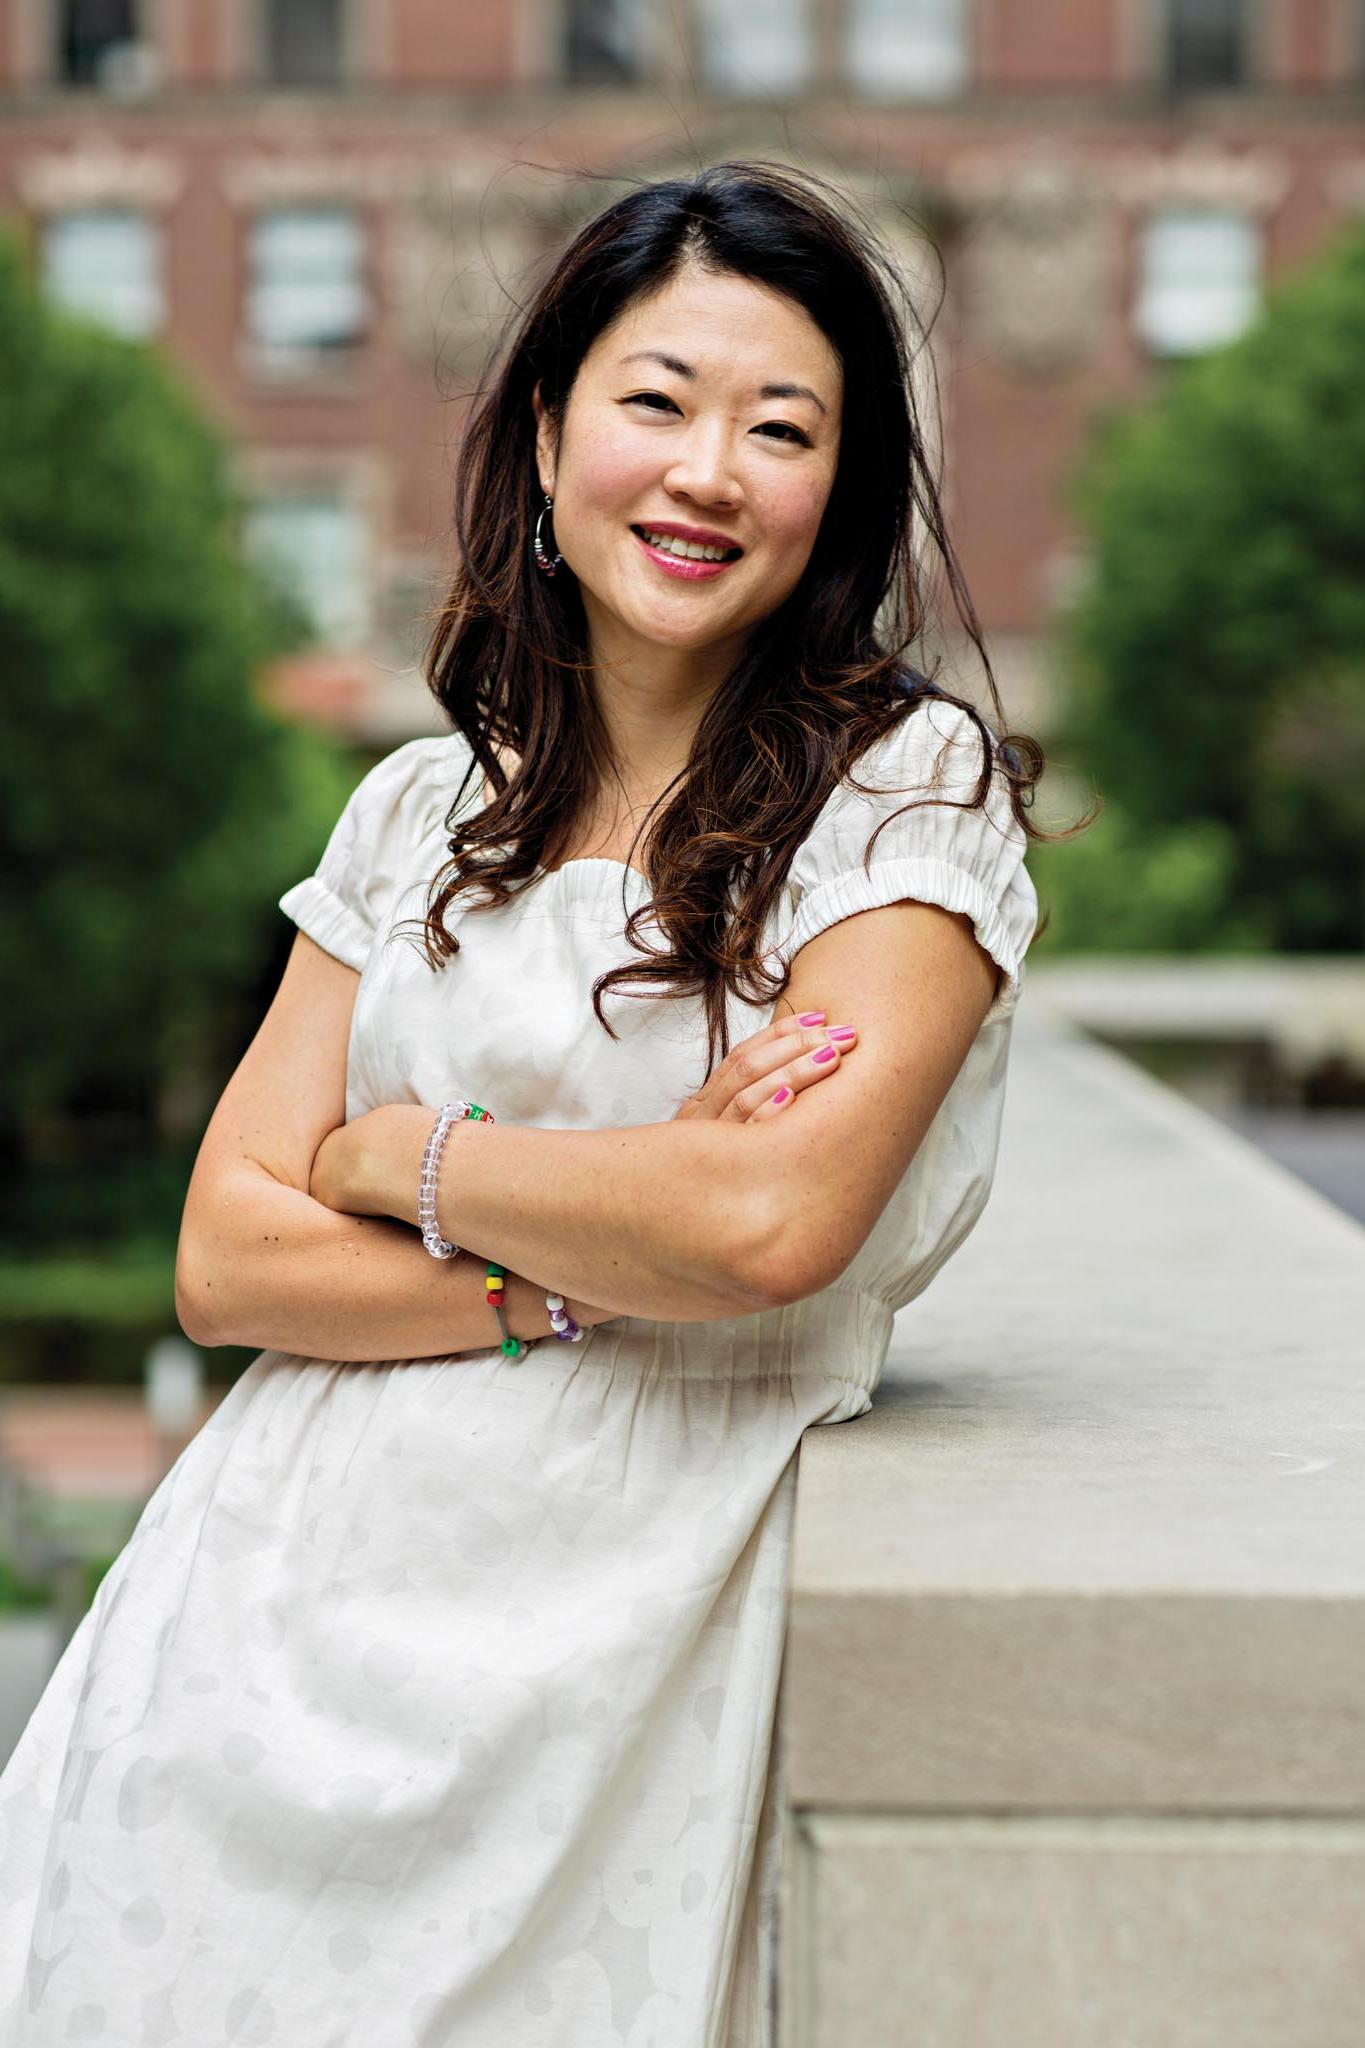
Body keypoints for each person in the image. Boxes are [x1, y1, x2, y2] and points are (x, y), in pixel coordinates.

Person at [0, 159, 1049, 2045]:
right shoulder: (418, 810)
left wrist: (405, 1159)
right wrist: (583, 1259)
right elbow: (229, 1258)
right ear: (552, 427)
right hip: (258, 1622)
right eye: (655, 401)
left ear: (845, 490)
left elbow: (767, 1227)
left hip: (615, 1644)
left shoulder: (904, 795)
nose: (707, 470)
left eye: (779, 426)